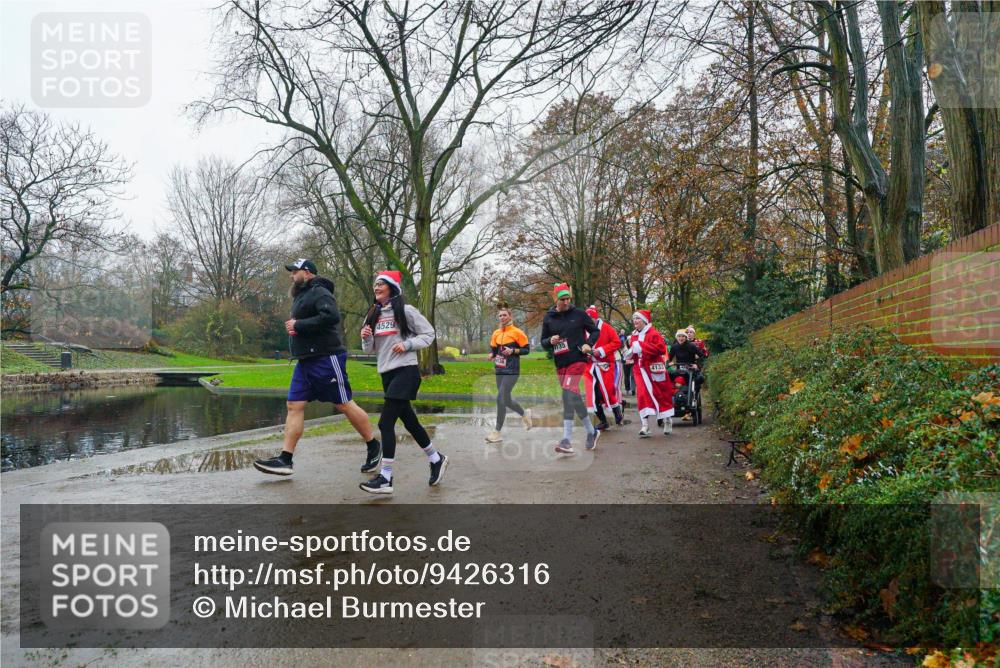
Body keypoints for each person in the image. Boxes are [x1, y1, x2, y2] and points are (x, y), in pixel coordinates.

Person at [254, 259, 381, 477]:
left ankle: (373, 445)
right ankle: (285, 459)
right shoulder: (301, 295)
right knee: (294, 404)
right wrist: (296, 329)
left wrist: (298, 325)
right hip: (305, 360)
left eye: (295, 271)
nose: (291, 275)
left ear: (307, 272)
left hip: (326, 357)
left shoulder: (320, 291)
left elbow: (331, 316)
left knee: (343, 404)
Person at [358, 270, 447, 495]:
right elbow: (369, 349)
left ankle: (386, 478)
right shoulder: (372, 315)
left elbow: (429, 334)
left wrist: (407, 345)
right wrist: (366, 336)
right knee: (411, 423)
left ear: (392, 288)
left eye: (381, 284)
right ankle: (436, 459)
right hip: (386, 374)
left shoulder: (406, 311)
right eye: (375, 284)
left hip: (406, 372)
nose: (376, 288)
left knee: (385, 424)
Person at [541, 283, 601, 453]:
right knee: (571, 395)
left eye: (568, 299)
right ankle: (591, 431)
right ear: (556, 299)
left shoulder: (579, 314)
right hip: (561, 363)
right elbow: (543, 342)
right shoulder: (549, 317)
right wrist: (550, 341)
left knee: (568, 392)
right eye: (563, 299)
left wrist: (588, 344)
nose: (566, 302)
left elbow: (595, 331)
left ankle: (566, 440)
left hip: (577, 358)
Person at [485, 302, 533, 443]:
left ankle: (497, 432)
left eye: (504, 315)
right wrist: (491, 355)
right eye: (500, 315)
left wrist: (513, 351)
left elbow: (526, 350)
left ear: (510, 316)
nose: (502, 317)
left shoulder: (518, 332)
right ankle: (524, 413)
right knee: (504, 399)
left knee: (500, 398)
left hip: (512, 370)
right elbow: (494, 350)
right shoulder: (496, 333)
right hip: (499, 370)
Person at [623, 310, 675, 437]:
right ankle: (645, 425)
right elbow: (636, 352)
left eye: (638, 319)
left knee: (660, 395)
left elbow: (661, 349)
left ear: (644, 321)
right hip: (639, 370)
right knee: (642, 395)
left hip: (654, 369)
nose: (635, 321)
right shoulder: (633, 335)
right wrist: (630, 354)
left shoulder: (653, 333)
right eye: (634, 319)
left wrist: (642, 346)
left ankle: (667, 419)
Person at [584, 305, 627, 430]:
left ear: (595, 318)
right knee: (593, 395)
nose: (588, 322)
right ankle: (603, 420)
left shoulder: (607, 328)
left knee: (607, 391)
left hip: (606, 365)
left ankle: (617, 411)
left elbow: (617, 342)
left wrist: (601, 350)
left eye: (590, 319)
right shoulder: (583, 330)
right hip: (590, 366)